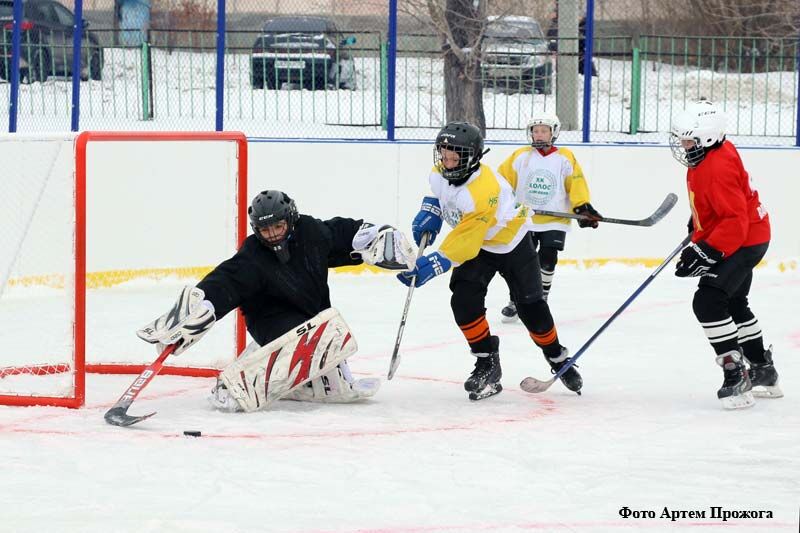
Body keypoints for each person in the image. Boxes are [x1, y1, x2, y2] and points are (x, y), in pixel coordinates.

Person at [136, 190, 415, 410]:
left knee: (328, 331)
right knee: (325, 335)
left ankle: (314, 379)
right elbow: (224, 283)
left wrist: (380, 237)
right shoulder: (253, 255)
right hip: (269, 322)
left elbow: (343, 234)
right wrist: (194, 313)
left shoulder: (311, 233)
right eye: (265, 230)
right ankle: (234, 385)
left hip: (310, 315)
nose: (272, 235)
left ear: (291, 219)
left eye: (278, 227)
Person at [399, 121, 582, 400]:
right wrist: (431, 211)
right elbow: (439, 193)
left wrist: (435, 262)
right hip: (478, 245)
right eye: (444, 155)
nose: (447, 162)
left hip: (511, 243)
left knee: (531, 308)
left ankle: (557, 356)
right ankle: (487, 363)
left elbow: (466, 242)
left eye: (455, 156)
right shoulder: (439, 173)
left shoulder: (483, 190)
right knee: (463, 300)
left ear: (472, 157)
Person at [669, 100, 781, 409]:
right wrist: (699, 225)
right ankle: (763, 369)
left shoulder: (715, 166)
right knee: (733, 301)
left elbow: (734, 221)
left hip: (743, 240)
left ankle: (737, 375)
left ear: (706, 138)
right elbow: (720, 206)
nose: (683, 144)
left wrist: (706, 250)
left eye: (689, 139)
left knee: (708, 300)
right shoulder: (712, 153)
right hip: (749, 235)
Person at [496, 112, 601, 322]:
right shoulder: (520, 156)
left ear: (553, 133)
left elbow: (576, 184)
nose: (539, 135)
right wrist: (501, 205)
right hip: (525, 219)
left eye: (544, 131)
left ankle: (540, 298)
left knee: (548, 258)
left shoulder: (565, 157)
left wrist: (582, 208)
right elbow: (501, 182)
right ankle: (516, 300)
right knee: (522, 263)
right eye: (535, 131)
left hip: (555, 221)